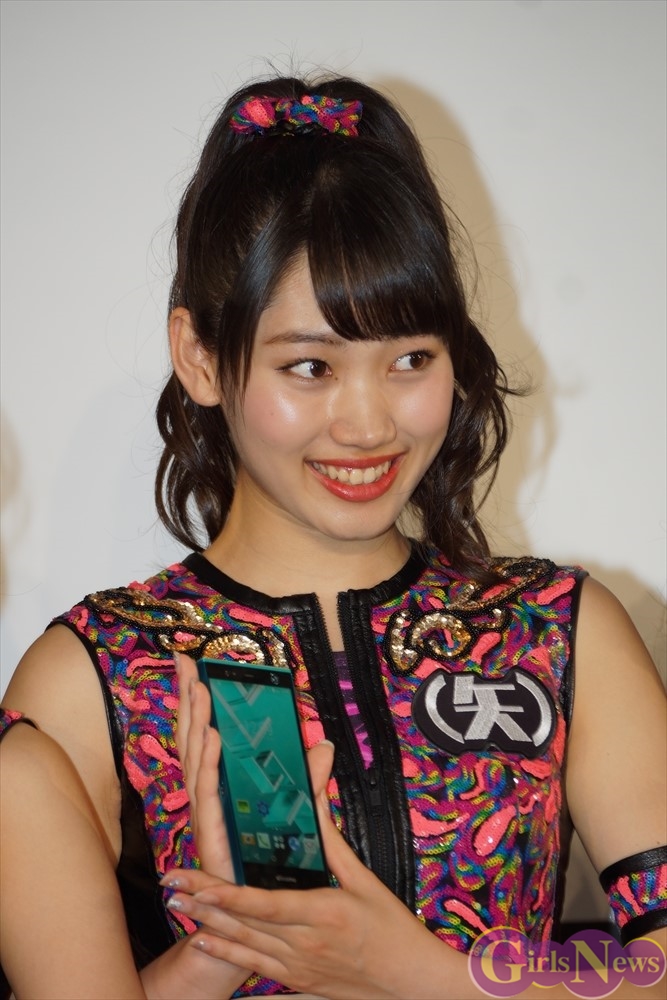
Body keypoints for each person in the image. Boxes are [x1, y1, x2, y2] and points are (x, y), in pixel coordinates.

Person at [1, 74, 665, 1000]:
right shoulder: (93, 674)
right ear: (199, 357)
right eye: (310, 366)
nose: (368, 424)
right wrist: (231, 941)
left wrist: (422, 974)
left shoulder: (557, 631)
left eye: (410, 359)